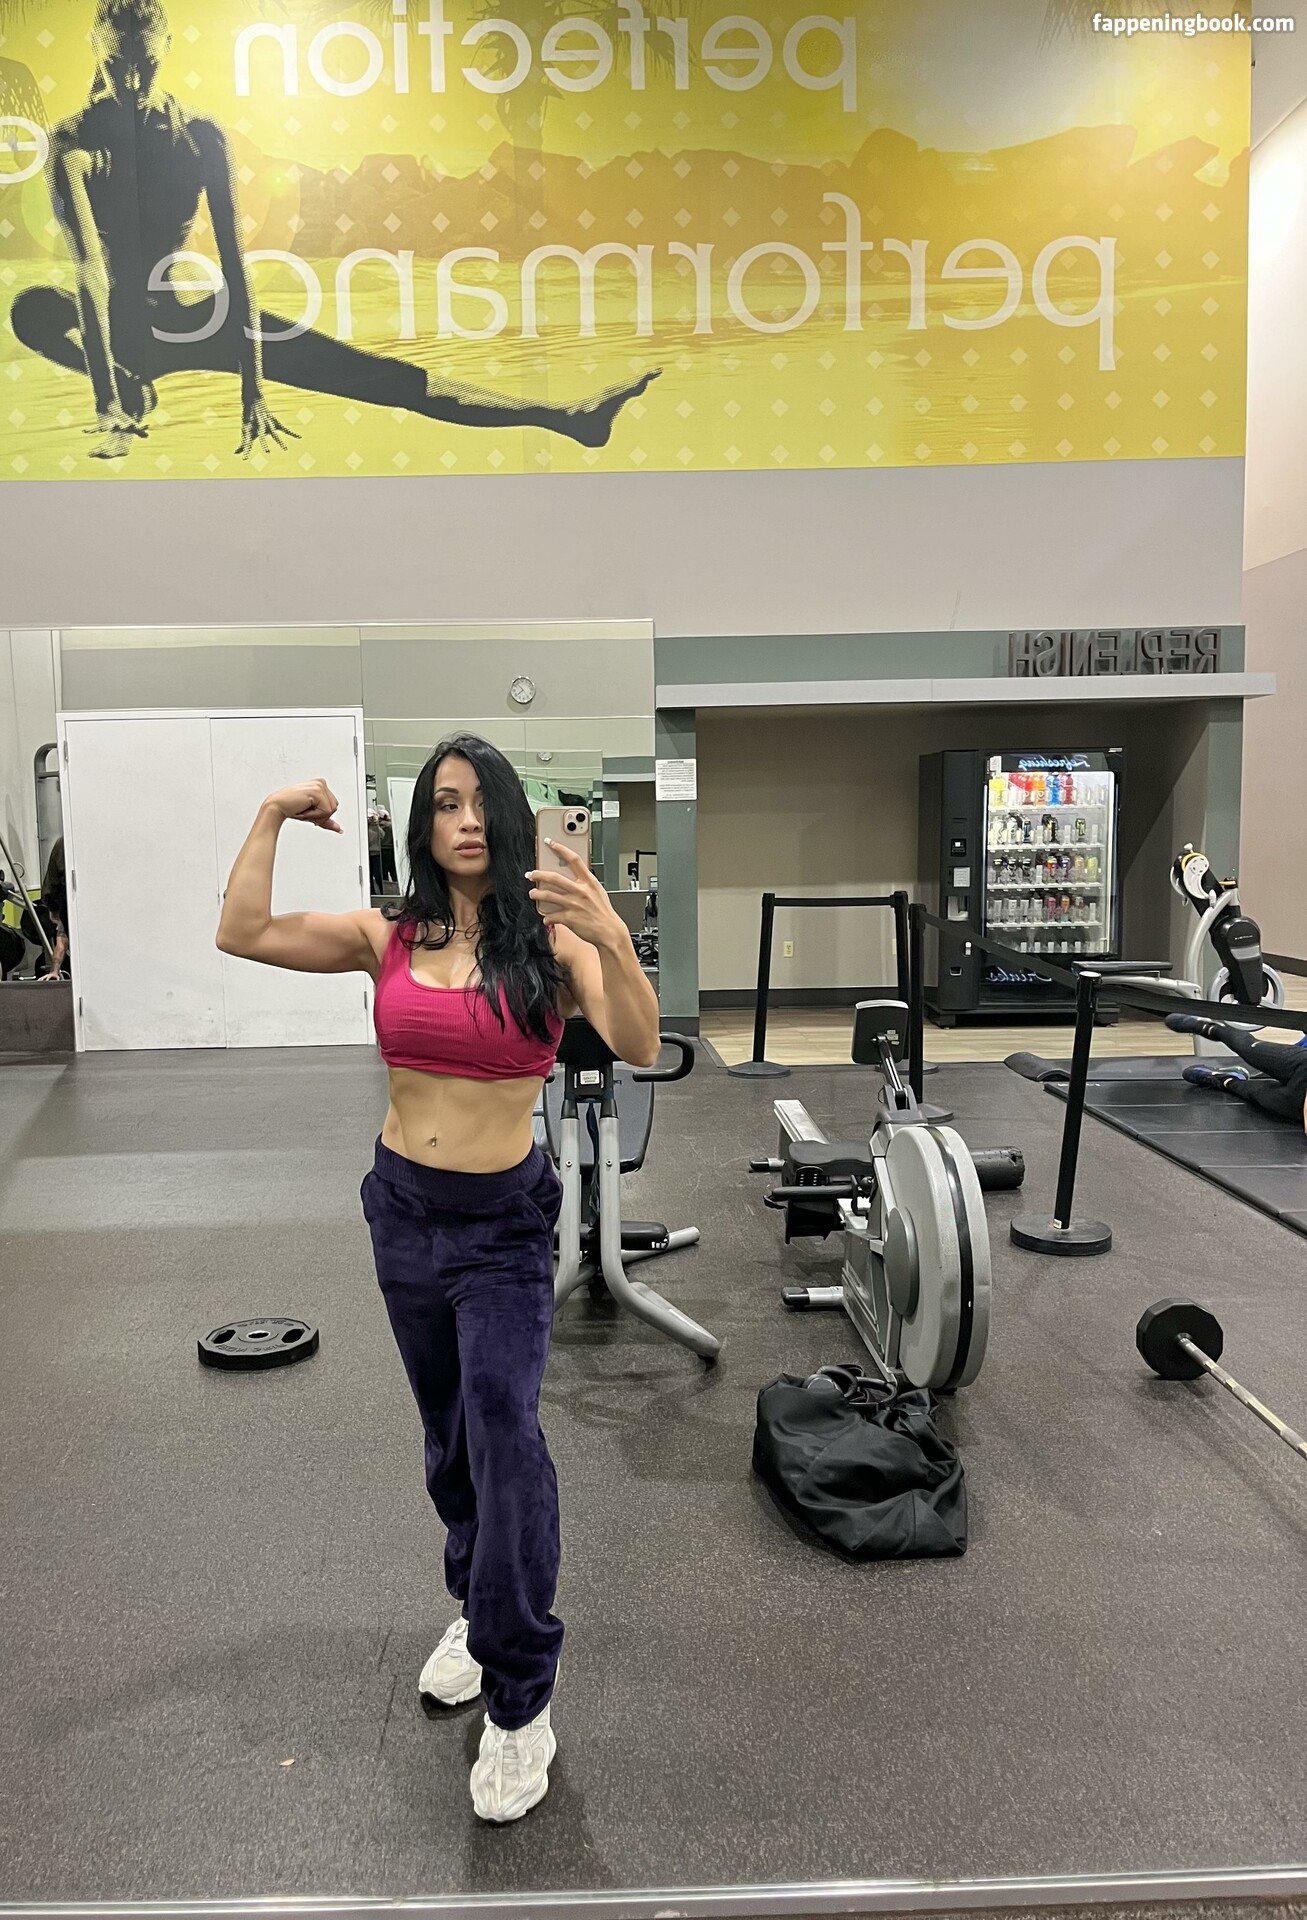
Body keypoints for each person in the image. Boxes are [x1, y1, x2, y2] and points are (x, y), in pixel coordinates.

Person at [215, 732, 660, 1823]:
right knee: (450, 1438)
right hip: (403, 1216)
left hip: (502, 1231)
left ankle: (521, 1695)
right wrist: (271, 814)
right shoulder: (390, 937)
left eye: (478, 802)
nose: (464, 820)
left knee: (506, 1439)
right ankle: (475, 1600)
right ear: (422, 826)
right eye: (443, 803)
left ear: (505, 817)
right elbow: (243, 930)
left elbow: (640, 1043)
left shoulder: (552, 946)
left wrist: (611, 934)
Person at [12, 0, 659, 464]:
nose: (132, 79)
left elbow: (235, 265)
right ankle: (130, 383)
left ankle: (566, 418)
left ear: (164, 52)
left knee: (385, 379)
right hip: (119, 335)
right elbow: (89, 270)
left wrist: (253, 388)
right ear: (99, 53)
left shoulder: (201, 135)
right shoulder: (73, 140)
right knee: (29, 309)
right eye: (119, 63)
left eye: (144, 63)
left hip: (198, 320)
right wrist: (107, 395)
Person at [1168, 1012, 1307, 1129]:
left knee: (1251, 1092)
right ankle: (1211, 1028)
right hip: (1303, 1067)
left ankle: (1225, 1078)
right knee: (1248, 1048)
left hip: (1297, 1105)